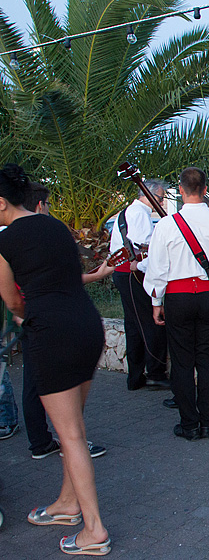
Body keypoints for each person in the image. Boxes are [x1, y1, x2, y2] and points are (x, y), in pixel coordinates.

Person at [0, 164, 111, 555]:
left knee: (70, 435)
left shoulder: (5, 242)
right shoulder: (56, 227)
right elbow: (66, 277)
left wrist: (23, 314)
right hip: (87, 325)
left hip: (51, 333)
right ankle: (67, 504)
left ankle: (94, 531)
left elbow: (12, 299)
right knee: (74, 426)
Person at [15, 182, 111, 459]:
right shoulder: (46, 235)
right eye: (48, 204)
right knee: (67, 383)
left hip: (31, 316)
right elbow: (61, 279)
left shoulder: (12, 238)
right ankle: (71, 441)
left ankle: (40, 442)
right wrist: (96, 275)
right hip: (50, 318)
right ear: (40, 205)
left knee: (33, 382)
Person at [144, 167, 209, 441]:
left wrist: (156, 301)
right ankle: (208, 422)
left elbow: (157, 268)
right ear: (205, 190)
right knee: (208, 360)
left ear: (181, 191)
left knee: (182, 361)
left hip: (178, 297)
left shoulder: (166, 225)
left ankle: (189, 424)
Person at [109, 179, 169, 390]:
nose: (161, 203)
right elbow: (146, 247)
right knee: (151, 323)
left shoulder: (129, 212)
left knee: (133, 325)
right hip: (133, 274)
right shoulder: (139, 214)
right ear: (148, 194)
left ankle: (135, 376)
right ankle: (155, 373)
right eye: (160, 198)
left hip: (124, 274)